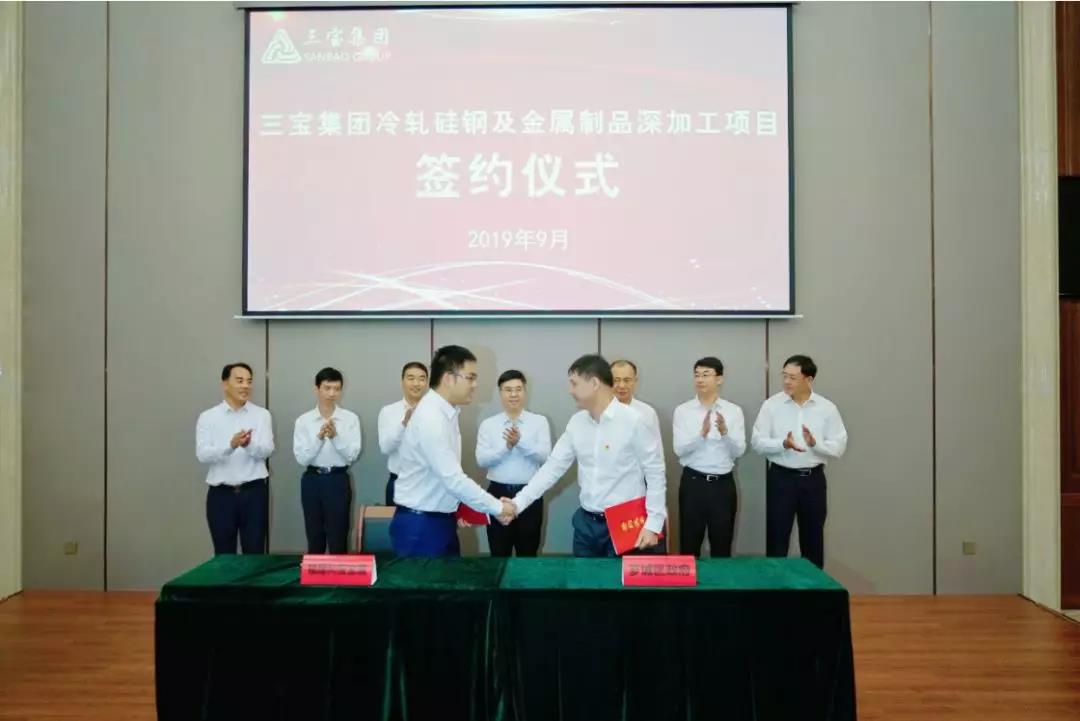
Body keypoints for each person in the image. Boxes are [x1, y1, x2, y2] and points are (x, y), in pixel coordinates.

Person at [503, 354, 667, 557]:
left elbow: (655, 472)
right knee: (582, 577)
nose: (570, 390)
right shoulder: (577, 423)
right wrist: (517, 503)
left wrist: (653, 523)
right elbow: (552, 468)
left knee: (615, 578)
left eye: (574, 384)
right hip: (586, 525)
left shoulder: (634, 420)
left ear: (595, 383)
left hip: (624, 525)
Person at [390, 345, 515, 557]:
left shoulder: (446, 413)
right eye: (470, 378)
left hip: (439, 520)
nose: (475, 385)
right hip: (421, 527)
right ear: (448, 378)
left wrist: (460, 507)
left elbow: (444, 477)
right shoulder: (431, 418)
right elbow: (453, 479)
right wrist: (498, 508)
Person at [751, 355, 848, 569]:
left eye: (793, 377)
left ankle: (813, 589)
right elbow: (757, 442)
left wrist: (815, 444)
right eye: (784, 376)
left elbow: (839, 446)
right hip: (781, 479)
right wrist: (783, 444)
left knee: (813, 540)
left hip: (813, 481)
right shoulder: (771, 405)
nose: (787, 381)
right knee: (777, 539)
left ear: (809, 379)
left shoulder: (827, 408)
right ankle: (775, 587)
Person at [195, 362, 274, 555]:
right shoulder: (208, 417)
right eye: (239, 381)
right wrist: (230, 446)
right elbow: (202, 454)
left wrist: (248, 445)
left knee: (255, 553)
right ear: (225, 384)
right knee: (223, 554)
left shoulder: (262, 415)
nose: (245, 386)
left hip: (254, 493)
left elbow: (267, 450)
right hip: (221, 496)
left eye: (249, 381)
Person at [672, 356, 746, 557]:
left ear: (719, 379)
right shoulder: (683, 411)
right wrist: (701, 435)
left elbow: (739, 450)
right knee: (689, 545)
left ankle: (720, 579)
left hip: (723, 486)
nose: (700, 379)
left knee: (722, 545)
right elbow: (679, 449)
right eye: (697, 375)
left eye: (706, 375)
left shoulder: (733, 411)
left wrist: (725, 433)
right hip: (693, 484)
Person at [475, 370, 552, 557]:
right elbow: (481, 460)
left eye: (518, 389)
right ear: (500, 392)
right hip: (497, 494)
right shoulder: (488, 424)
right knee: (499, 550)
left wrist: (520, 443)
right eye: (508, 390)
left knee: (528, 552)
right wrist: (506, 447)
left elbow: (545, 457)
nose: (514, 394)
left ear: (525, 391)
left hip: (530, 494)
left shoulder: (539, 422)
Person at [292, 367, 362, 554]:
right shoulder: (303, 421)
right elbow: (302, 458)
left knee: (339, 536)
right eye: (327, 388)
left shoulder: (350, 419)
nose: (332, 393)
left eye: (336, 389)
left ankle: (339, 573)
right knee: (314, 535)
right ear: (316, 389)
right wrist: (319, 438)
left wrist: (335, 437)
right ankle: (315, 572)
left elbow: (352, 456)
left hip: (338, 480)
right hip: (312, 480)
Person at [377, 361, 429, 506]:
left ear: (427, 383)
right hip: (399, 482)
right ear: (402, 382)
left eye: (421, 379)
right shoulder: (388, 411)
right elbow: (385, 448)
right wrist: (404, 424)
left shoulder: (435, 411)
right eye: (411, 378)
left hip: (429, 484)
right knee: (397, 521)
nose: (416, 383)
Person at [611, 359, 664, 453]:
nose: (621, 385)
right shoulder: (598, 412)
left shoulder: (647, 412)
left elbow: (657, 450)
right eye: (616, 380)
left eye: (627, 380)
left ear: (635, 381)